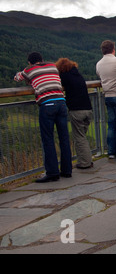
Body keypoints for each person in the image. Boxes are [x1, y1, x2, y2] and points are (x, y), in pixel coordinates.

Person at [14, 52, 72, 183]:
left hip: (47, 104)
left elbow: (17, 77)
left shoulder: (29, 69)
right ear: (42, 60)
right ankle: (67, 170)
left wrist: (29, 79)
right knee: (64, 137)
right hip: (62, 102)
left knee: (48, 139)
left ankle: (52, 173)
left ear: (30, 62)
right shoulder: (52, 66)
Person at [56, 58, 94, 170]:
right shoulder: (78, 75)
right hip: (88, 109)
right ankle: (87, 160)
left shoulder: (64, 77)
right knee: (82, 136)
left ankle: (85, 163)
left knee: (80, 138)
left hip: (77, 110)